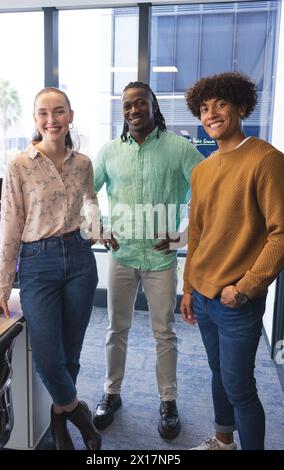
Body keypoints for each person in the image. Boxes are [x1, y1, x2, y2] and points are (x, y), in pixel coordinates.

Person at [0, 87, 102, 451]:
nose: (51, 120)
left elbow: (90, 201)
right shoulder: (19, 165)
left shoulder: (83, 163)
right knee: (48, 357)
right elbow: (9, 227)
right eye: (43, 113)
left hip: (81, 259)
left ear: (70, 116)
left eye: (58, 112)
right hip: (39, 263)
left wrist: (98, 228)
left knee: (70, 353)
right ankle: (76, 411)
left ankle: (57, 417)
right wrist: (3, 290)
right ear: (35, 119)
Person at [93, 81, 203, 439]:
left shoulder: (180, 149)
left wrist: (182, 236)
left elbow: (207, 196)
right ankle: (112, 394)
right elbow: (84, 191)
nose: (133, 110)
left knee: (164, 333)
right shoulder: (109, 151)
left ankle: (168, 401)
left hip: (161, 260)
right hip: (121, 255)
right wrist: (96, 228)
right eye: (127, 105)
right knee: (116, 328)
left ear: (154, 106)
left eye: (140, 103)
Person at [180, 72, 284, 450]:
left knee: (240, 386)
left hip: (236, 300)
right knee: (218, 375)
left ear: (241, 106)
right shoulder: (202, 170)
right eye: (204, 108)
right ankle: (223, 441)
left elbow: (280, 235)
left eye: (221, 104)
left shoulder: (267, 160)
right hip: (204, 296)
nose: (212, 114)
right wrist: (189, 286)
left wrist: (245, 288)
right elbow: (197, 235)